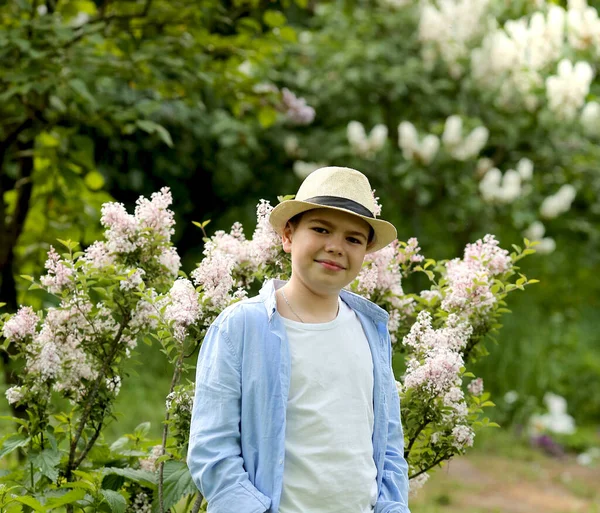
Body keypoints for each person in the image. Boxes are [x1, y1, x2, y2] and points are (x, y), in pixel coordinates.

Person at [188, 166, 411, 513]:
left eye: (353, 239)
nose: (336, 247)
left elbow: (389, 445)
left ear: (366, 251)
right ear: (288, 236)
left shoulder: (371, 330)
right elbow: (211, 450)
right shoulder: (242, 327)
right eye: (321, 229)